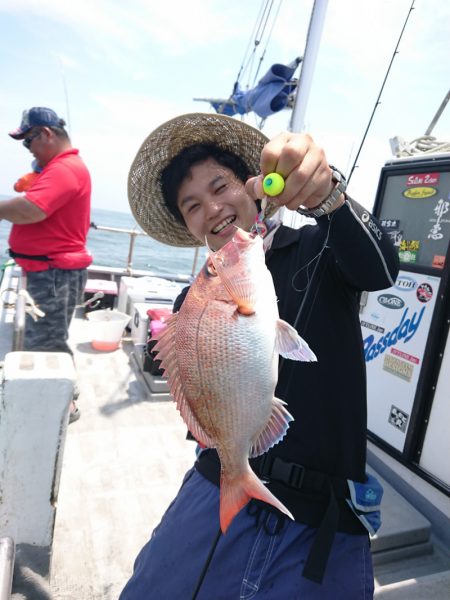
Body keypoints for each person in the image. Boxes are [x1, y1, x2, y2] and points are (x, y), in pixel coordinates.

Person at [121, 113, 399, 599]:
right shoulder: (194, 303)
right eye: (193, 205)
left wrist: (326, 197)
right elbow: (200, 421)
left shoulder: (319, 246)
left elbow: (381, 269)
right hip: (214, 492)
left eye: (221, 185)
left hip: (321, 518)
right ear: (188, 226)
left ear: (253, 188)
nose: (213, 207)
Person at [1, 107, 92, 423]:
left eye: (28, 141)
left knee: (46, 344)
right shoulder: (59, 168)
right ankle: (65, 394)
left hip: (53, 273)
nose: (28, 149)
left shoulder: (65, 169)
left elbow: (31, 210)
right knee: (48, 338)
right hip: (47, 271)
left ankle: (60, 407)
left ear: (47, 134)